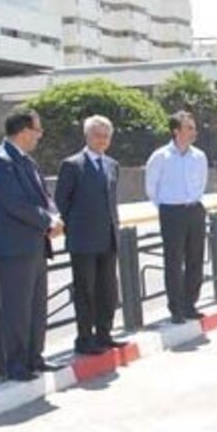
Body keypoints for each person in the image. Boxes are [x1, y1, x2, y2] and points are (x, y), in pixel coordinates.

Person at [0, 110, 64, 381]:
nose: (40, 136)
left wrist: (55, 216)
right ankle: (16, 365)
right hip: (13, 248)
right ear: (23, 131)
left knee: (36, 307)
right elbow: (15, 204)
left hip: (35, 246)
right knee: (17, 309)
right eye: (37, 131)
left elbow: (44, 195)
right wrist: (47, 222)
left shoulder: (27, 162)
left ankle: (34, 357)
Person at [55, 115, 125, 356]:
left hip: (108, 238)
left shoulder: (112, 165)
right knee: (86, 291)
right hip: (83, 240)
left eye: (106, 136)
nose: (102, 140)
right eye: (97, 135)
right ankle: (85, 338)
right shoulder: (72, 165)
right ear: (87, 136)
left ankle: (104, 333)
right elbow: (61, 202)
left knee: (108, 289)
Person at [146, 111, 209, 324]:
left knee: (195, 259)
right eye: (189, 128)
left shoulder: (199, 156)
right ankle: (176, 308)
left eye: (194, 127)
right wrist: (166, 206)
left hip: (194, 209)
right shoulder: (160, 156)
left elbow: (201, 182)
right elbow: (151, 187)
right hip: (171, 211)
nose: (194, 131)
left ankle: (190, 303)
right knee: (174, 261)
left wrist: (192, 201)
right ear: (176, 131)